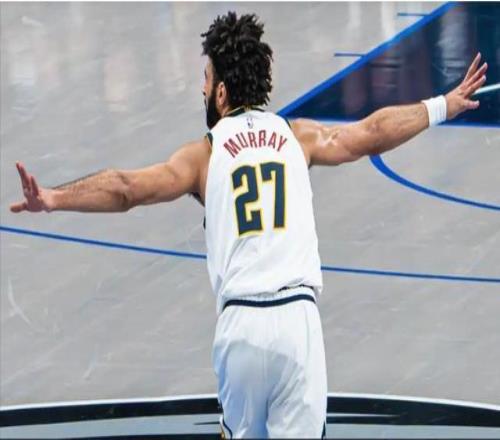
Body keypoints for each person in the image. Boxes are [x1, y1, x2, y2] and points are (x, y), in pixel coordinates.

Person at [10, 11, 487, 439]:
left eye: (205, 78)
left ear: (221, 92)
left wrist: (54, 198)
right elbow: (371, 132)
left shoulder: (204, 155)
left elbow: (126, 188)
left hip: (240, 326)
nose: (202, 88)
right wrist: (441, 105)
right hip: (296, 321)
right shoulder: (298, 136)